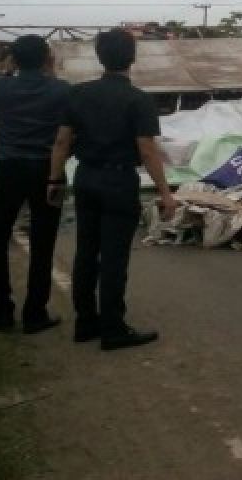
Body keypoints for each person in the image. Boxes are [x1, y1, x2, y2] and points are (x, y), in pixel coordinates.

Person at [48, 28, 176, 351]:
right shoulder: (139, 99)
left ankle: (85, 323)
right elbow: (147, 149)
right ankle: (113, 328)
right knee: (114, 258)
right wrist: (165, 193)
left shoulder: (77, 94)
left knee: (86, 251)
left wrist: (54, 180)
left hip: (86, 178)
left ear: (100, 57)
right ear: (131, 58)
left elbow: (62, 141)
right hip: (119, 182)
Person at [0, 36, 70, 333]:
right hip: (48, 170)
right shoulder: (62, 90)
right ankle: (35, 314)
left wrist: (7, 70)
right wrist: (51, 73)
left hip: (8, 170)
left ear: (13, 59)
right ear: (47, 58)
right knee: (43, 242)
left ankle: (1, 312)